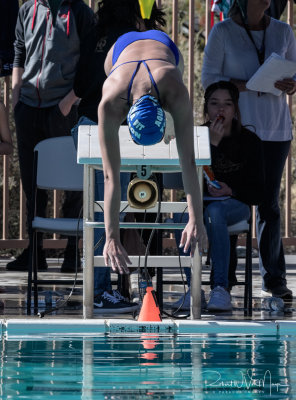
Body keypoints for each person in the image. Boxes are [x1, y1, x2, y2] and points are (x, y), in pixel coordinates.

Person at [98, 3, 208, 277]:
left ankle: (170, 125)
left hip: (164, 49)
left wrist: (196, 218)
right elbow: (110, 177)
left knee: (180, 129)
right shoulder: (110, 100)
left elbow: (189, 161)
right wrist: (111, 236)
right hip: (120, 53)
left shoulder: (175, 87)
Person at [201, 0, 296, 301]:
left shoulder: (283, 31)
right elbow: (209, 81)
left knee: (269, 203)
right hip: (234, 131)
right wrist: (250, 85)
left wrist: (290, 84)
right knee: (230, 196)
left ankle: (274, 279)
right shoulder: (223, 32)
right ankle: (224, 280)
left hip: (275, 129)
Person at [7, 0, 94, 272]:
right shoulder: (26, 10)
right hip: (29, 107)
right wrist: (16, 93)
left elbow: (90, 62)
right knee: (32, 183)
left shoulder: (79, 12)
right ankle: (35, 252)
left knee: (74, 185)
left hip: (63, 108)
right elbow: (19, 50)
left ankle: (72, 252)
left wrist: (70, 101)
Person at [202, 81, 264, 311]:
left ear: (235, 109)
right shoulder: (197, 137)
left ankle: (220, 288)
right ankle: (191, 288)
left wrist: (231, 191)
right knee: (181, 217)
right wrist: (212, 146)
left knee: (216, 211)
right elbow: (187, 181)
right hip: (201, 204)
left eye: (227, 104)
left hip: (235, 205)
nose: (220, 110)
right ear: (206, 108)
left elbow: (259, 192)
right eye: (214, 104)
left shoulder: (250, 141)